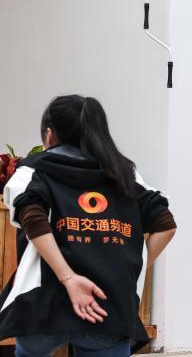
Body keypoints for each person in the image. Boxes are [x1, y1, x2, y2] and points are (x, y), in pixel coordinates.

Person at [0, 95, 176, 357]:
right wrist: (127, 273)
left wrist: (68, 278)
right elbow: (166, 225)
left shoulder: (33, 171)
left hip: (43, 305)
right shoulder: (124, 174)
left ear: (49, 134)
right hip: (106, 306)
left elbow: (33, 219)